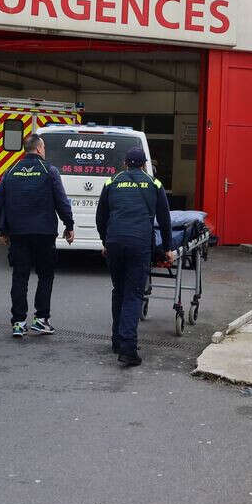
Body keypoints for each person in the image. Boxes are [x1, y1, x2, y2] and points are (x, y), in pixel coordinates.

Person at [0, 133, 75, 338]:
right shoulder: (49, 171)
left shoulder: (11, 171)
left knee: (20, 276)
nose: (44, 151)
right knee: (45, 275)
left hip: (18, 233)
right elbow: (61, 201)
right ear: (38, 149)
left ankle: (18, 322)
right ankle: (41, 320)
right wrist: (69, 224)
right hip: (44, 233)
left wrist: (0, 229)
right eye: (43, 148)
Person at [95, 148, 172, 367]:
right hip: (139, 244)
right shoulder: (154, 184)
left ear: (125, 163)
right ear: (144, 164)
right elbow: (165, 220)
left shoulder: (112, 182)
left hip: (115, 243)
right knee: (133, 293)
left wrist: (105, 241)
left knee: (119, 291)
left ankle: (117, 341)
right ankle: (128, 349)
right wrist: (166, 247)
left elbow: (101, 216)